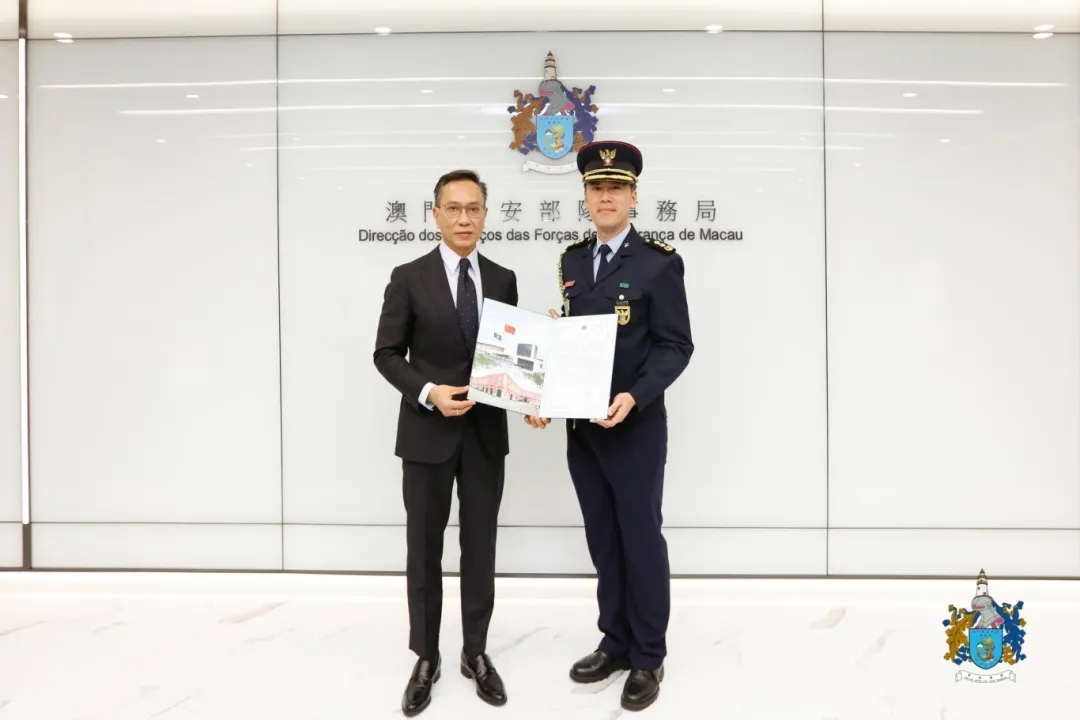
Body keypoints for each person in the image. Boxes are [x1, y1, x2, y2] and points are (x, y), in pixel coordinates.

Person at [524, 140, 693, 712]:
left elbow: (674, 345)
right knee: (603, 538)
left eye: (616, 188)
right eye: (596, 188)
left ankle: (648, 654)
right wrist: (544, 384)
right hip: (583, 429)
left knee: (640, 538)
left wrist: (634, 396)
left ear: (634, 196)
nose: (605, 197)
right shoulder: (573, 261)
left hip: (634, 427)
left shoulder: (659, 262)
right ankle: (615, 641)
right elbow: (575, 341)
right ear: (585, 196)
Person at [373, 169, 518, 716]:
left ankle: (475, 652)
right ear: (434, 214)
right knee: (423, 549)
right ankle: (426, 656)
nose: (464, 218)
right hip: (426, 434)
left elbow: (510, 357)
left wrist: (532, 396)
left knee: (480, 549)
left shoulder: (502, 278)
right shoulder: (408, 276)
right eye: (453, 209)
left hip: (485, 436)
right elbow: (386, 353)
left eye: (473, 208)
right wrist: (428, 392)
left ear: (485, 215)